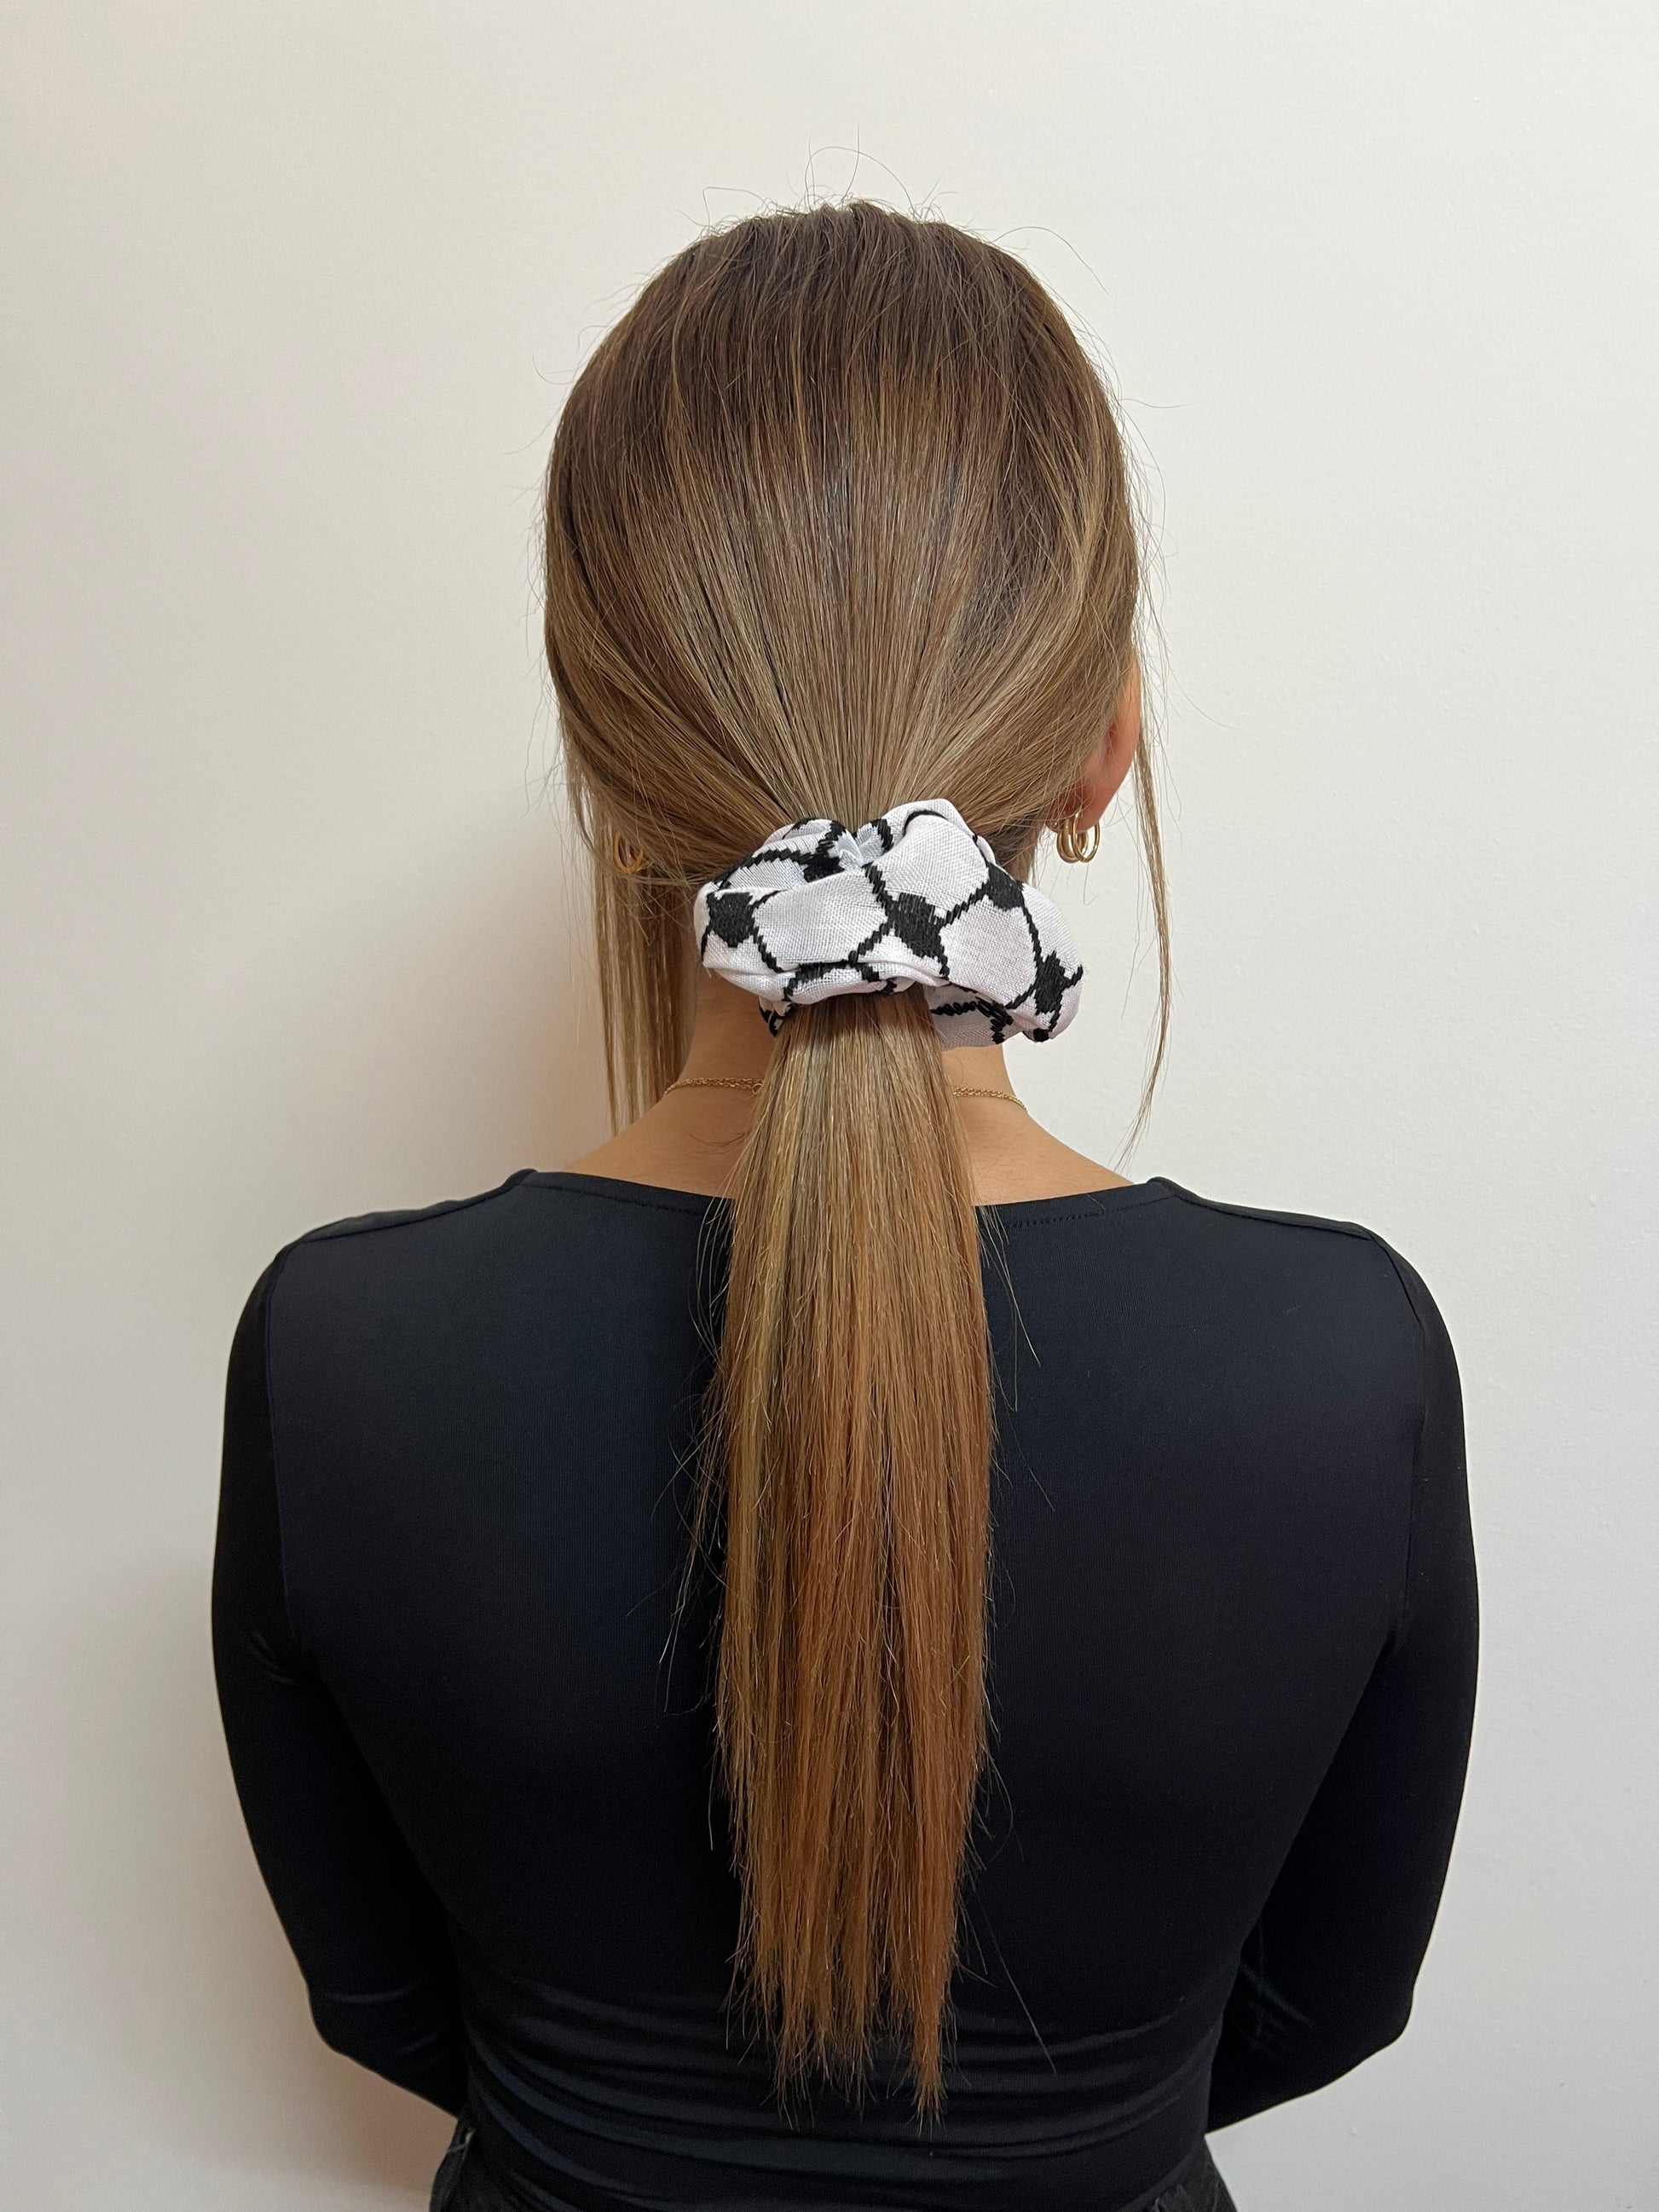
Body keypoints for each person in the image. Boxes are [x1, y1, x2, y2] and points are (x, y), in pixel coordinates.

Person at [211, 204, 1478, 2212]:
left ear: (609, 777)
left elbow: (383, 1999)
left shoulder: (340, 1348)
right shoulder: (1344, 1362)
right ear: (1102, 749)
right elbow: (1327, 2003)